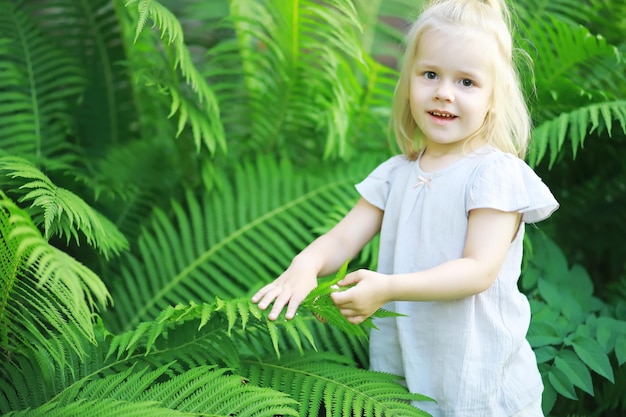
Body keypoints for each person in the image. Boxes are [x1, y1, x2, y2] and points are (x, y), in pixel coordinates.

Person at [252, 0, 558, 415]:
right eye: (430, 74)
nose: (443, 92)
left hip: (480, 382)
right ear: (409, 80)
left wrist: (388, 288)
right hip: (406, 375)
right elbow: (342, 238)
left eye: (466, 82)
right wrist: (305, 264)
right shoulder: (394, 175)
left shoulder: (494, 175)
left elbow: (478, 270)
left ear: (494, 98)